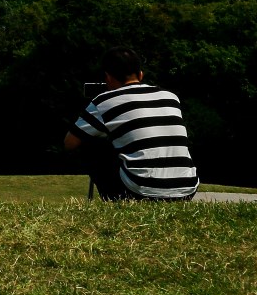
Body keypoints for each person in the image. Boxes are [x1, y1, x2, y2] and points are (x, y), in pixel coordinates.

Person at [65, 47, 198, 201]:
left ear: (108, 78)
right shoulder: (171, 97)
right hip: (187, 188)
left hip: (140, 191)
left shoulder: (104, 101)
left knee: (88, 142)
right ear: (141, 74)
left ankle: (113, 199)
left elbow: (70, 143)